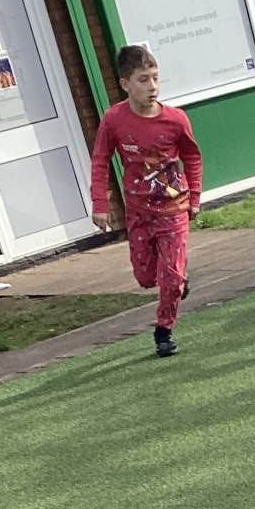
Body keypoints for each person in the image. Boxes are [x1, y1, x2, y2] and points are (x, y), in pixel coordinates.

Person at [89, 45, 201, 360]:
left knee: (170, 278)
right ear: (125, 84)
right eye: (143, 80)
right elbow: (100, 160)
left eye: (155, 78)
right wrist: (100, 203)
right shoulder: (114, 120)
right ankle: (176, 279)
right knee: (147, 277)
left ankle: (164, 330)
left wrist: (194, 196)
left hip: (174, 209)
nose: (152, 86)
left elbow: (192, 157)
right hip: (139, 211)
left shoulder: (176, 120)